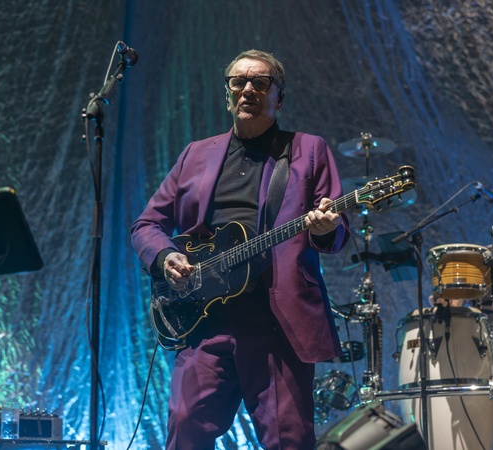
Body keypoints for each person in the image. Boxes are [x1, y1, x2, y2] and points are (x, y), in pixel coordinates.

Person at [131, 49, 349, 449]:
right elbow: (147, 225)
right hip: (205, 319)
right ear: (227, 94)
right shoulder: (195, 154)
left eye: (261, 82)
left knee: (288, 439)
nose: (248, 89)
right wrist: (164, 257)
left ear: (279, 97)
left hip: (275, 322)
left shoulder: (308, 149)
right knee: (184, 427)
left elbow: (336, 233)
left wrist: (324, 229)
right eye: (239, 81)